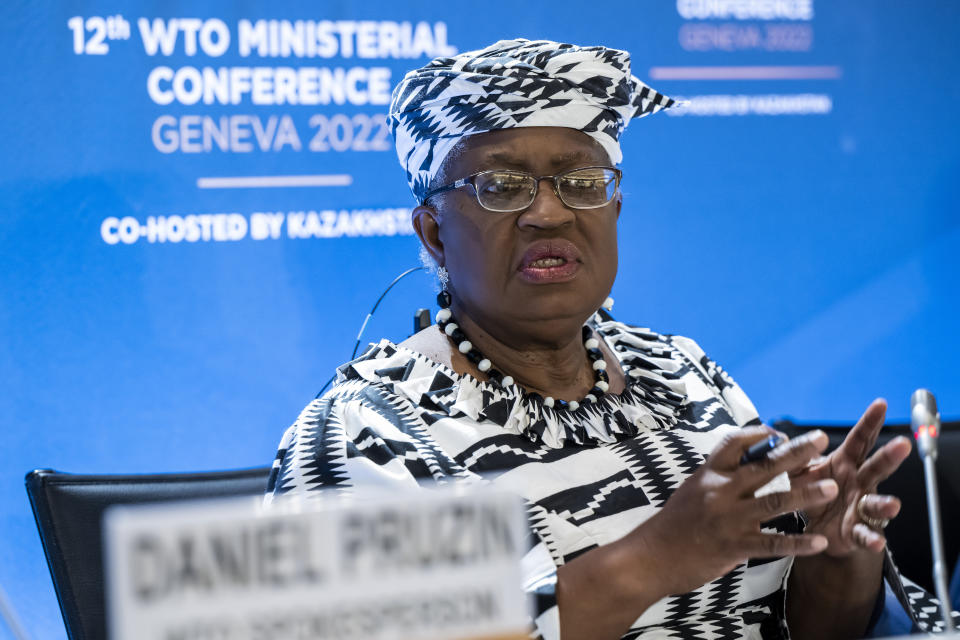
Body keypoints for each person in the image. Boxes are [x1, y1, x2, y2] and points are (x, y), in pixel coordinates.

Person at [267, 39, 956, 639]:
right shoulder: (365, 431)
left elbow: (807, 626)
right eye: (503, 185)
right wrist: (654, 556)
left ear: (614, 207)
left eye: (581, 181)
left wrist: (837, 555)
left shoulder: (687, 376)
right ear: (433, 232)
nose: (548, 212)